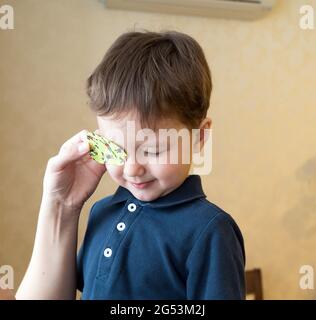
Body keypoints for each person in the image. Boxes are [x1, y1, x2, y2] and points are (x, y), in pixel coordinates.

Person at [16, 31, 245, 300]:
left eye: (152, 149)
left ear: (200, 136)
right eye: (117, 149)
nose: (132, 168)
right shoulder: (103, 212)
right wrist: (60, 205)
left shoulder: (210, 231)